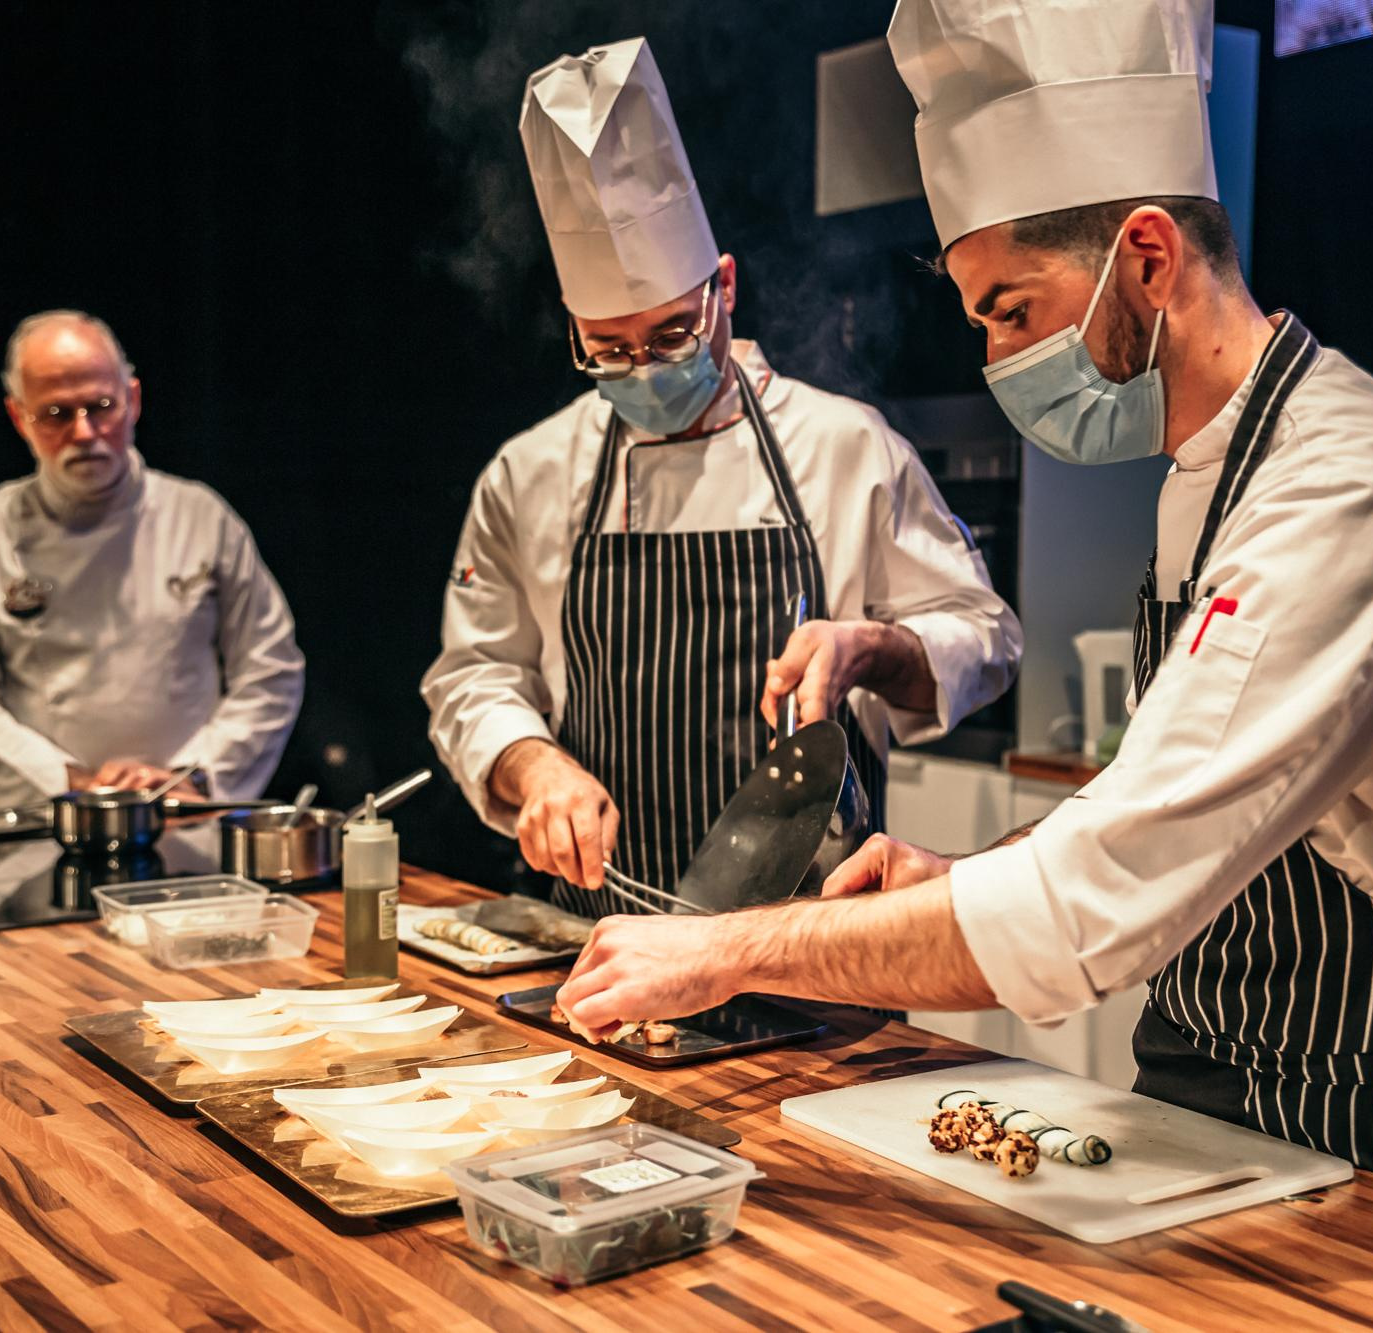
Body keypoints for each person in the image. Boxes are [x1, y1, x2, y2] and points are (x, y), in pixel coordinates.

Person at [556, 0, 1373, 1226]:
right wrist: (960, 876)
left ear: (1146, 257)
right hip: (1209, 1108)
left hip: (1371, 1139)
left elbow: (1105, 892)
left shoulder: (1340, 489)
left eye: (1011, 312)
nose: (996, 360)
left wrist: (724, 948)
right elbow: (1182, 815)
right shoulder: (1212, 468)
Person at [422, 38, 1020, 916]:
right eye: (609, 351)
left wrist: (873, 647)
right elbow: (474, 675)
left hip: (816, 947)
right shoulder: (529, 474)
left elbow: (987, 638)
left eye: (669, 336)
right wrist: (531, 762)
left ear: (724, 289)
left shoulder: (846, 449)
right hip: (598, 947)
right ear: (573, 328)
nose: (646, 369)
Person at [0, 310, 304, 810]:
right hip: (43, 825)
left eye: (101, 406)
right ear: (19, 417)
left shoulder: (202, 518)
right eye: (57, 414)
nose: (84, 432)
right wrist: (71, 783)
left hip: (183, 824)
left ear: (134, 400)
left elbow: (270, 671)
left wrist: (193, 777)